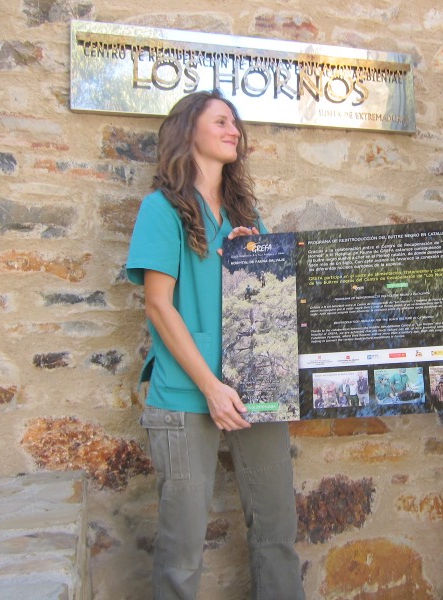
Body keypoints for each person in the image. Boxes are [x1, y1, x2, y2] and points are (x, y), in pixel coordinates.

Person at [126, 91, 305, 600]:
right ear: (190, 132)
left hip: (256, 387)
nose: (234, 131)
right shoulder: (161, 209)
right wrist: (210, 387)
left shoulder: (245, 212)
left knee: (277, 532)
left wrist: (255, 256)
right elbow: (159, 305)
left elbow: (271, 300)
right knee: (181, 547)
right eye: (221, 121)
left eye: (236, 124)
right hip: (186, 393)